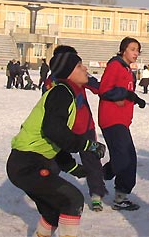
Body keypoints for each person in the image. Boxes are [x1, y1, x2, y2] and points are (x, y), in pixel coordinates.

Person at [6, 49, 106, 237]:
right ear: (69, 72)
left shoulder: (68, 94)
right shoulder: (62, 92)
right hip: (27, 164)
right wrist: (88, 145)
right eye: (79, 65)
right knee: (72, 200)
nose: (85, 68)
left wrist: (74, 168)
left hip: (29, 163)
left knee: (53, 212)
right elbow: (54, 131)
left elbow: (53, 140)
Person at [43, 45, 108, 212]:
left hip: (85, 127)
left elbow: (98, 88)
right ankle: (49, 192)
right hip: (64, 130)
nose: (80, 67)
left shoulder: (81, 77)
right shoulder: (52, 82)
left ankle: (96, 194)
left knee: (92, 160)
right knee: (54, 161)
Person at [98, 37, 146, 211]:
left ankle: (119, 194)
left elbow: (123, 92)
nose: (136, 53)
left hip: (121, 121)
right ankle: (99, 177)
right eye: (132, 49)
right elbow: (105, 89)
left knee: (128, 157)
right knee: (124, 158)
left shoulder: (126, 69)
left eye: (138, 50)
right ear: (123, 50)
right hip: (111, 119)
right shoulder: (115, 65)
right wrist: (124, 94)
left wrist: (133, 98)